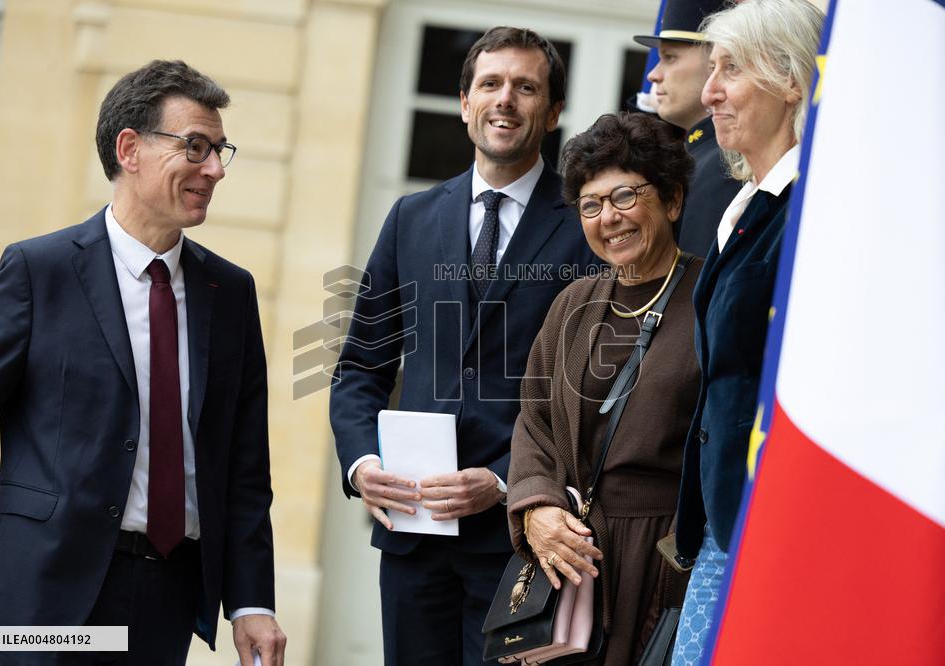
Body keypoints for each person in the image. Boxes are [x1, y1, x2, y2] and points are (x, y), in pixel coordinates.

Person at [0, 60, 286, 665]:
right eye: (195, 147)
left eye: (219, 151)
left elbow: (244, 466)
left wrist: (251, 601)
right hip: (45, 594)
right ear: (130, 149)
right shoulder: (40, 271)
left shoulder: (230, 293)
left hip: (167, 594)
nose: (215, 170)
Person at [330, 26, 600, 666]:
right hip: (412, 539)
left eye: (525, 87)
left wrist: (507, 481)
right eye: (490, 84)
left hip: (521, 541)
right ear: (464, 102)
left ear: (553, 112)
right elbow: (361, 365)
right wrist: (362, 464)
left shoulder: (586, 227)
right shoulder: (411, 217)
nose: (505, 99)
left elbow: (595, 391)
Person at [507, 111, 701, 665]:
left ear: (672, 200)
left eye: (624, 196)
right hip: (573, 560)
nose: (607, 218)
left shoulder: (711, 300)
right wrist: (536, 509)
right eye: (590, 205)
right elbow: (535, 420)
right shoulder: (575, 303)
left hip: (665, 558)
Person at [670, 2, 825, 663]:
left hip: (780, 528)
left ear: (791, 79)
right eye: (710, 70)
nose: (709, 93)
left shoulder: (816, 209)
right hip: (725, 523)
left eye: (730, 69)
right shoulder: (745, 206)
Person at [634, 0, 740, 258]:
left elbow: (694, 277)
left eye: (669, 57)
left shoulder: (721, 164)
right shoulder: (700, 156)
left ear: (717, 59)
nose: (653, 75)